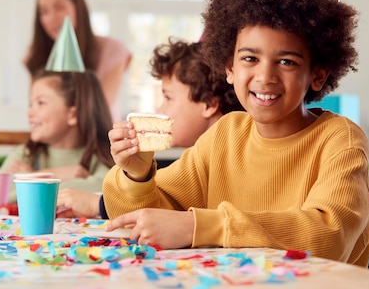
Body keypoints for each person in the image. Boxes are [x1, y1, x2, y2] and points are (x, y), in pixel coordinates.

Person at [103, 0, 369, 267]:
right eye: (249, 58)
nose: (265, 76)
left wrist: (205, 226)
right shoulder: (226, 133)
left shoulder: (341, 140)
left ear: (317, 74)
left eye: (286, 61)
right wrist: (136, 175)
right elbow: (148, 216)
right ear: (230, 67)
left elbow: (329, 235)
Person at [56, 38, 244, 218]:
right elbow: (161, 199)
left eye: (168, 98)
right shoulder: (192, 157)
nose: (160, 110)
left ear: (209, 104)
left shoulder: (228, 155)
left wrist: (97, 204)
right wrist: (136, 175)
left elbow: (169, 209)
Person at [0, 69, 115, 203]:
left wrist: (29, 182)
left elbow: (109, 190)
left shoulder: (103, 155)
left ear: (72, 114)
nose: (30, 112)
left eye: (41, 103)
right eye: (31, 104)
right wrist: (53, 174)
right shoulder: (26, 153)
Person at [24, 0, 131, 121]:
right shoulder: (35, 53)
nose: (52, 18)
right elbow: (37, 111)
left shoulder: (112, 50)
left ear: (78, 8)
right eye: (44, 12)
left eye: (59, 8)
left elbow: (100, 111)